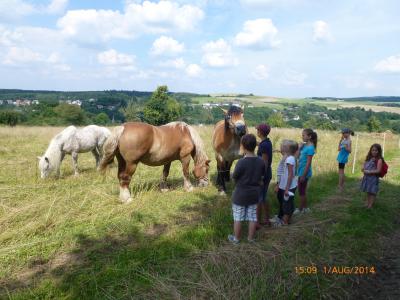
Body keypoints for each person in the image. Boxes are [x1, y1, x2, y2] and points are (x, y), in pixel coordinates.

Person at [228, 134, 266, 244]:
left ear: (242, 146)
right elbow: (261, 178)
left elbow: (235, 177)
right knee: (252, 217)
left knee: (238, 218)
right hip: (254, 195)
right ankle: (250, 238)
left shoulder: (241, 162)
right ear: (255, 146)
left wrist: (232, 176)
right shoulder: (260, 161)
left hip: (240, 195)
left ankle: (236, 239)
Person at [273, 140, 298, 226]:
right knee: (287, 202)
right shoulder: (288, 157)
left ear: (287, 149)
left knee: (286, 204)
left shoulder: (289, 159)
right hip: (286, 185)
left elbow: (290, 175)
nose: (281, 146)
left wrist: (287, 189)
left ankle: (285, 222)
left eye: (282, 146)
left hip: (288, 186)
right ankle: (284, 219)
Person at [294, 128, 317, 214]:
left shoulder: (310, 148)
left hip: (304, 172)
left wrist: (303, 175)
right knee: (302, 190)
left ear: (309, 136)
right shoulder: (304, 146)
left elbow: (308, 163)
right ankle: (306, 208)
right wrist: (299, 148)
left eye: (304, 135)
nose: (302, 136)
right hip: (300, 171)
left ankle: (300, 209)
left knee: (301, 191)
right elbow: (296, 157)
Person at [256, 123, 273, 227]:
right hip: (266, 173)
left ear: (260, 132)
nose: (256, 131)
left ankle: (258, 222)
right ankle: (267, 220)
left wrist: (261, 176)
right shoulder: (266, 142)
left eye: (257, 130)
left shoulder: (265, 145)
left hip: (264, 174)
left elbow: (265, 162)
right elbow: (261, 146)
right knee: (263, 197)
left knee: (259, 199)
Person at [361, 144, 383, 209]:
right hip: (367, 178)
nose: (374, 152)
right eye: (373, 150)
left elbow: (378, 170)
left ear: (379, 151)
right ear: (370, 150)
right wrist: (363, 168)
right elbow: (364, 164)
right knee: (368, 190)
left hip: (373, 178)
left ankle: (370, 205)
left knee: (372, 192)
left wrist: (369, 172)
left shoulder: (379, 160)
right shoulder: (368, 157)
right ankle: (367, 203)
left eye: (376, 150)